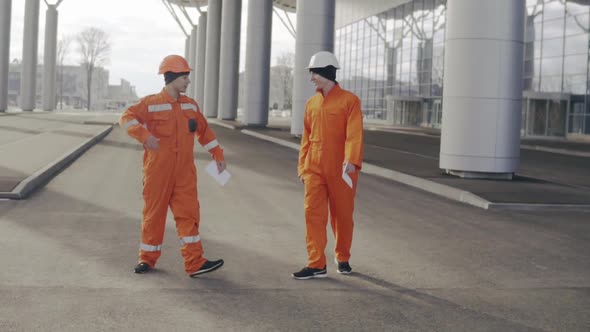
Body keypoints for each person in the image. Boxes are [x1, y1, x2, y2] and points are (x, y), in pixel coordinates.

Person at [119, 55, 225, 277]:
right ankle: (146, 259)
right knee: (153, 215)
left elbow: (204, 132)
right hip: (157, 170)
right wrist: (143, 135)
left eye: (188, 77)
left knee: (189, 215)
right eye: (185, 77)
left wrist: (217, 153)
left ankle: (195, 262)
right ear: (172, 77)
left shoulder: (190, 105)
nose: (188, 81)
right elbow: (127, 117)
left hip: (184, 172)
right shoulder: (150, 103)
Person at [292, 51, 364, 280]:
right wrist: (302, 167)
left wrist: (351, 160)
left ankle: (342, 257)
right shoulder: (311, 103)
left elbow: (354, 134)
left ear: (326, 72)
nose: (311, 77)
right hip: (314, 168)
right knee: (313, 215)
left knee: (342, 216)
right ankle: (316, 263)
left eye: (314, 72)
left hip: (342, 169)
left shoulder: (349, 101)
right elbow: (307, 137)